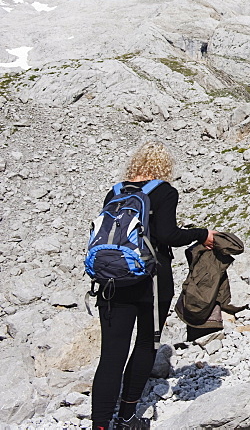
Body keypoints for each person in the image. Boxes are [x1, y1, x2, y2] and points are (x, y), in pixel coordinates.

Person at [92, 141, 216, 430]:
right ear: (164, 167)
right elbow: (168, 234)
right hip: (152, 280)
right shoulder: (164, 191)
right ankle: (127, 417)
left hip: (112, 279)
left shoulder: (116, 191)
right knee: (147, 343)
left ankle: (99, 424)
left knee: (111, 355)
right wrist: (202, 233)